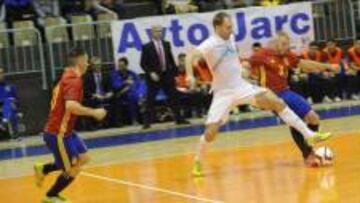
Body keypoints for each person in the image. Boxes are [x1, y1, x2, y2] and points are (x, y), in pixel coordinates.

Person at [185, 12, 332, 176]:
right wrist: (190, 75)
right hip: (223, 94)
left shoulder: (231, 38)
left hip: (241, 87)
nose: (231, 30)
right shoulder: (210, 43)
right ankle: (198, 161)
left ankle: (309, 134)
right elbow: (190, 55)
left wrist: (243, 70)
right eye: (228, 27)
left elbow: (232, 62)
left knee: (277, 102)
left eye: (232, 26)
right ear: (217, 27)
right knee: (211, 133)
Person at [33, 47, 107, 203]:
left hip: (66, 131)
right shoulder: (73, 79)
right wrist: (94, 112)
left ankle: (43, 169)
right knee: (71, 168)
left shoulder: (68, 75)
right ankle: (50, 196)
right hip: (57, 133)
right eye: (86, 60)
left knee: (84, 158)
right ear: (80, 61)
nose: (88, 64)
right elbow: (71, 106)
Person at [250, 32, 333, 167]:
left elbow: (305, 64)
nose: (286, 47)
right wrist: (245, 73)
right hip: (271, 96)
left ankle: (310, 144)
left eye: (288, 45)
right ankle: (308, 155)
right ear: (275, 43)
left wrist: (327, 67)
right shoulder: (262, 54)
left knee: (314, 118)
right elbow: (246, 64)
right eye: (283, 44)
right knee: (294, 121)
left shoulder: (287, 55)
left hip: (286, 91)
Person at [140, 25, 189, 129]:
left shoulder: (166, 44)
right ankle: (147, 123)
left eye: (160, 31)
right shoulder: (147, 47)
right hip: (154, 77)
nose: (159, 33)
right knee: (150, 99)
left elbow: (170, 60)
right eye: (157, 31)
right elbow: (143, 64)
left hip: (167, 75)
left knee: (174, 97)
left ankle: (179, 119)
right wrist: (151, 73)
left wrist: (175, 74)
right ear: (152, 33)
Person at [111, 57, 144, 125]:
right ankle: (134, 119)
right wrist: (125, 82)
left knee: (135, 95)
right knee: (132, 96)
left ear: (126, 65)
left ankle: (142, 118)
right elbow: (116, 85)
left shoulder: (132, 73)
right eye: (119, 66)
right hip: (120, 95)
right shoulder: (115, 74)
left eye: (122, 66)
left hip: (132, 93)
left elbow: (138, 83)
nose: (120, 67)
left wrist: (129, 87)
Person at [83, 56, 113, 129]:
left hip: (104, 95)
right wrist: (94, 95)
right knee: (89, 102)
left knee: (116, 100)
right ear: (92, 66)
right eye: (95, 65)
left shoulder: (106, 75)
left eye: (99, 65)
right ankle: (93, 125)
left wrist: (110, 92)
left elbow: (110, 87)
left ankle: (113, 123)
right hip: (94, 96)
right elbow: (86, 90)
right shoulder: (87, 76)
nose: (97, 67)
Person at [0, 68, 19, 138]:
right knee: (8, 104)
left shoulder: (10, 85)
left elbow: (16, 98)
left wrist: (12, 102)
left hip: (9, 106)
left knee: (9, 105)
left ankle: (4, 122)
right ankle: (5, 122)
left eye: (1, 73)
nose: (0, 75)